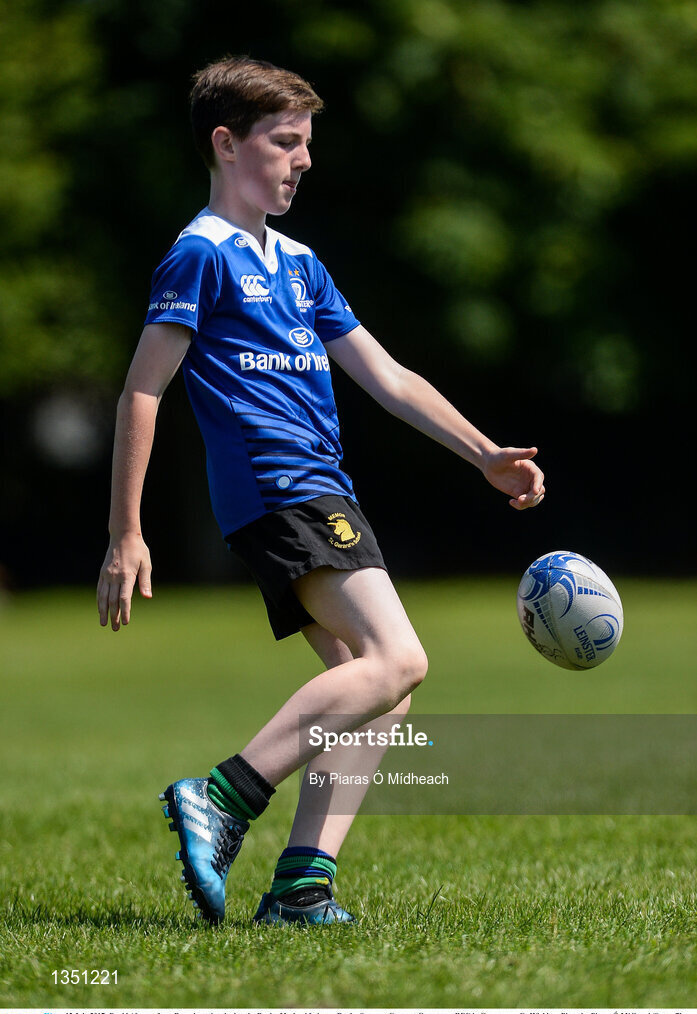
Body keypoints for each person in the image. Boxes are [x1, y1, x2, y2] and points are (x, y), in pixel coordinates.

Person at [97, 55, 545, 927]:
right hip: (285, 490)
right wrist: (127, 532)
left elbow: (385, 376)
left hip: (310, 492)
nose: (302, 160)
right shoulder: (201, 255)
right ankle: (224, 794)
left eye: (306, 144)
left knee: (376, 682)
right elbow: (141, 390)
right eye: (284, 143)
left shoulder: (298, 264)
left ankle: (302, 886)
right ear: (226, 145)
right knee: (401, 658)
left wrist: (483, 452)